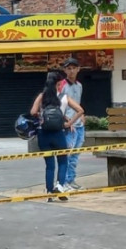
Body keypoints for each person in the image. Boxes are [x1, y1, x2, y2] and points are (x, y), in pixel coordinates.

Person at [31, 71, 84, 201]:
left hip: (43, 135)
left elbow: (32, 112)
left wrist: (41, 115)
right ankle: (60, 186)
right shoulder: (64, 98)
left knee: (49, 165)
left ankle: (49, 193)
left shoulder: (42, 96)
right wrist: (69, 123)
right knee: (63, 162)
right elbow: (80, 110)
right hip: (58, 134)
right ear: (59, 84)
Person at [61, 57, 86, 189]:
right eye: (68, 68)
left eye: (73, 68)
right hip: (69, 126)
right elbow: (58, 106)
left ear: (78, 69)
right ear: (65, 70)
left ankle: (71, 180)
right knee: (67, 155)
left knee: (75, 156)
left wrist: (82, 115)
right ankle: (63, 182)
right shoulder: (62, 85)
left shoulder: (79, 85)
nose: (71, 71)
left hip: (79, 125)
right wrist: (67, 121)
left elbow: (78, 103)